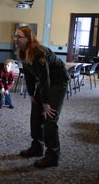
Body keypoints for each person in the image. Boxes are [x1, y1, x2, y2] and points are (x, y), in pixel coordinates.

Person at [14, 26, 70, 168]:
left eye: (18, 37)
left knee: (50, 117)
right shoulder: (22, 52)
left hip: (58, 81)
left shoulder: (39, 52)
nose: (15, 39)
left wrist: (45, 102)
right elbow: (28, 74)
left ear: (28, 38)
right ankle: (37, 146)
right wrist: (32, 94)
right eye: (15, 36)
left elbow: (45, 79)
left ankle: (52, 156)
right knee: (35, 115)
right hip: (46, 82)